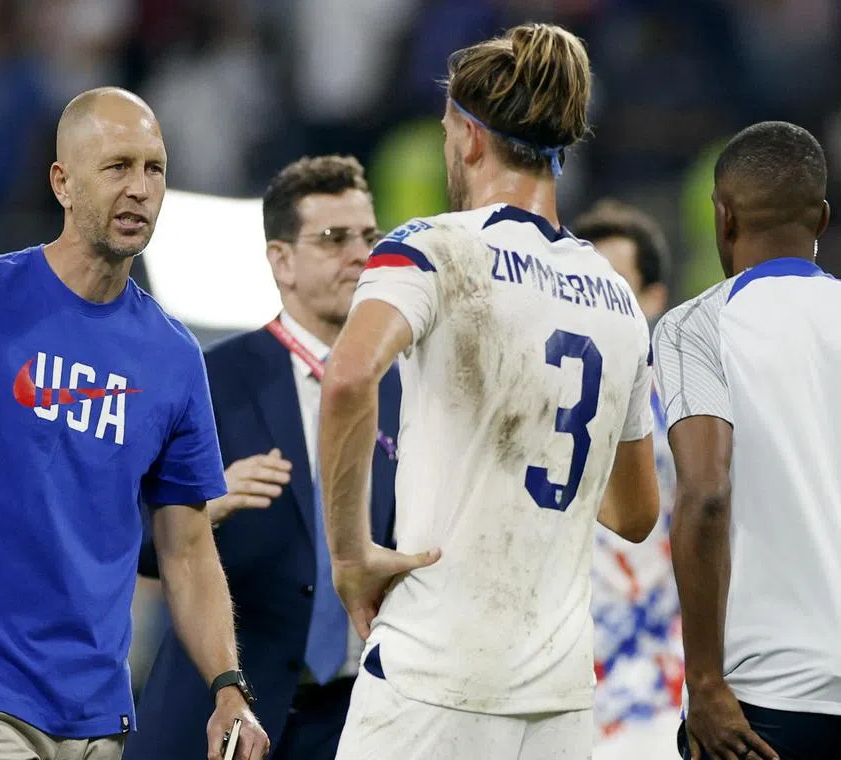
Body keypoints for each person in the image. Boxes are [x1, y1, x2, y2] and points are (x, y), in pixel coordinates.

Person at [0, 87, 270, 760]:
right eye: (118, 166)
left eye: (154, 169)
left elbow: (185, 548)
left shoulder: (175, 357)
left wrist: (228, 687)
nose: (141, 189)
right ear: (62, 182)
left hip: (95, 710)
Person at [318, 23, 661, 759]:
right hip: (560, 699)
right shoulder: (617, 298)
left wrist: (350, 555)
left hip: (432, 681)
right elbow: (635, 513)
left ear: (470, 137)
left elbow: (347, 378)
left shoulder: (433, 249)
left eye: (448, 130)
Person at [127, 155, 400, 760]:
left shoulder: (403, 387)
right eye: (333, 239)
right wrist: (207, 504)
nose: (360, 255)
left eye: (368, 237)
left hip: (358, 720)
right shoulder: (211, 376)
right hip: (223, 713)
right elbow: (139, 546)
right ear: (282, 260)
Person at [653, 121, 841, 760]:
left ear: (723, 218)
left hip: (767, 706)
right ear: (820, 218)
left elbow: (706, 494)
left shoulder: (693, 329)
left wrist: (704, 681)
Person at [573, 200, 684, 760]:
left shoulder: (695, 414)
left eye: (615, 288)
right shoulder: (533, 396)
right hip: (557, 677)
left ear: (653, 300)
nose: (599, 306)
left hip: (660, 680)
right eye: (584, 287)